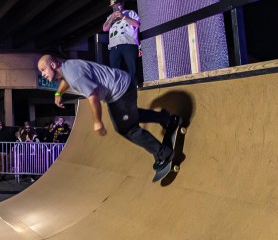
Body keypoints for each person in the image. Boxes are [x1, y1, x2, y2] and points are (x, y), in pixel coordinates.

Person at [37, 54, 179, 181]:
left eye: (43, 70)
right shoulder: (68, 68)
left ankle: (164, 153)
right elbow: (65, 80)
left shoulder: (74, 76)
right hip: (118, 89)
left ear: (53, 65)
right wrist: (58, 93)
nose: (42, 74)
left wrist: (97, 121)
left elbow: (93, 97)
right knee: (129, 117)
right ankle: (165, 118)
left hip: (120, 89)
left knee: (127, 128)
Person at [102, 0, 140, 88]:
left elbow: (137, 24)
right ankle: (119, 88)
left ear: (122, 4)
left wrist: (123, 16)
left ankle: (134, 87)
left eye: (117, 5)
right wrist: (112, 18)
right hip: (114, 46)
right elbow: (104, 29)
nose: (115, 7)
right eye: (113, 6)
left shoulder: (130, 13)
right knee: (115, 69)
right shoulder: (110, 17)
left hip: (129, 43)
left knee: (132, 67)